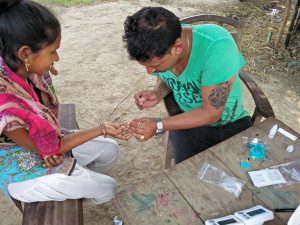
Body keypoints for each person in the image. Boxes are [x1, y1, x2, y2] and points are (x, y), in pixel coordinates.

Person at [0, 0, 131, 204]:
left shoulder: (20, 66)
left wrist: (51, 149)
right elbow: (50, 147)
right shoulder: (5, 104)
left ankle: (72, 178)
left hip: (43, 144)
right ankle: (67, 186)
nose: (57, 58)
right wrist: (101, 128)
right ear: (25, 53)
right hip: (19, 166)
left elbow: (49, 142)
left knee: (109, 150)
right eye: (52, 51)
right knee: (107, 188)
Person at [123, 7, 252, 164]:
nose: (150, 72)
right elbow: (166, 76)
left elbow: (211, 113)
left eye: (155, 66)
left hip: (231, 124)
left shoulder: (217, 46)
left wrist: (158, 125)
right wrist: (157, 92)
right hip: (188, 123)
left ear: (177, 48)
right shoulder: (162, 43)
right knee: (185, 178)